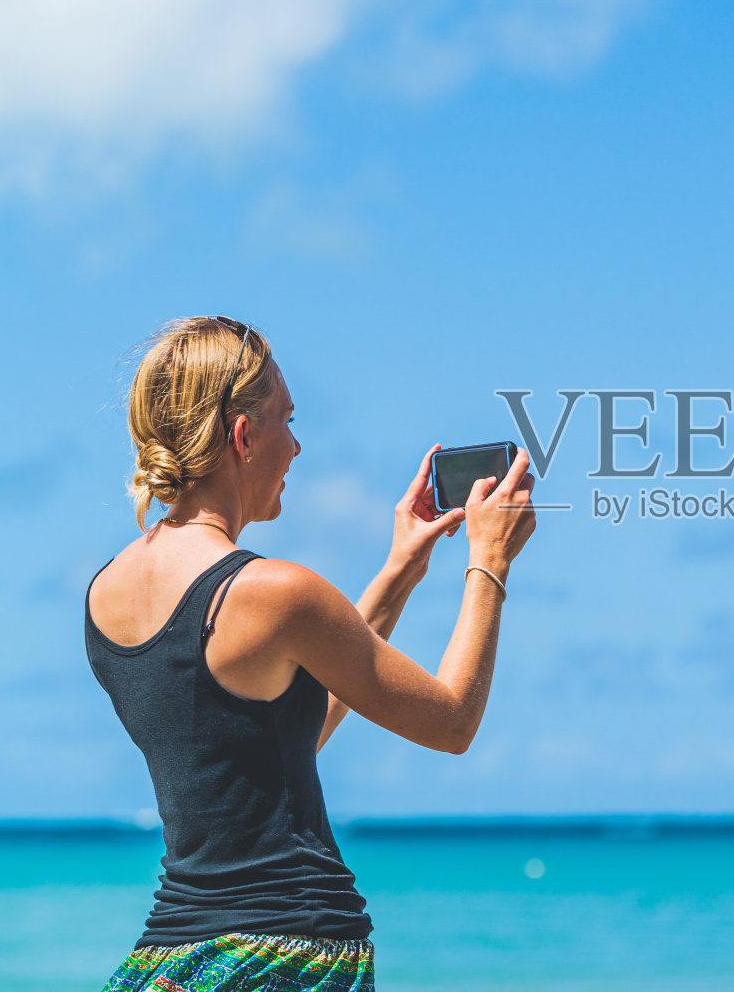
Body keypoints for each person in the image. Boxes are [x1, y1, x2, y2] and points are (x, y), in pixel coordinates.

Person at [85, 315, 535, 991]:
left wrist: (397, 573)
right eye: (286, 420)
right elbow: (451, 721)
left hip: (168, 964)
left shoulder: (104, 594)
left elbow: (268, 748)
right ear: (242, 435)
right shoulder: (276, 590)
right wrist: (489, 560)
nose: (295, 446)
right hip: (286, 959)